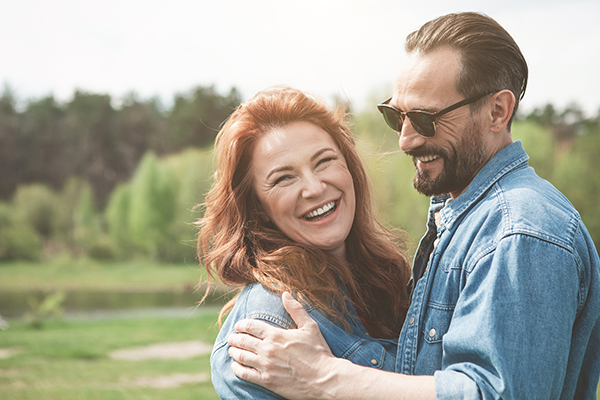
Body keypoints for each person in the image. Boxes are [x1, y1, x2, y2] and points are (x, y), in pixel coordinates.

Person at [226, 12, 600, 399]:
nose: (405, 140)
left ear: (497, 112)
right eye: (396, 116)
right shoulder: (465, 218)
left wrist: (326, 379)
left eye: (424, 118)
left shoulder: (517, 232)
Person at [197, 86, 412, 399]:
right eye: (284, 178)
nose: (314, 187)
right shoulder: (267, 327)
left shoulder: (387, 276)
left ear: (349, 167)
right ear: (257, 207)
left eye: (324, 161)